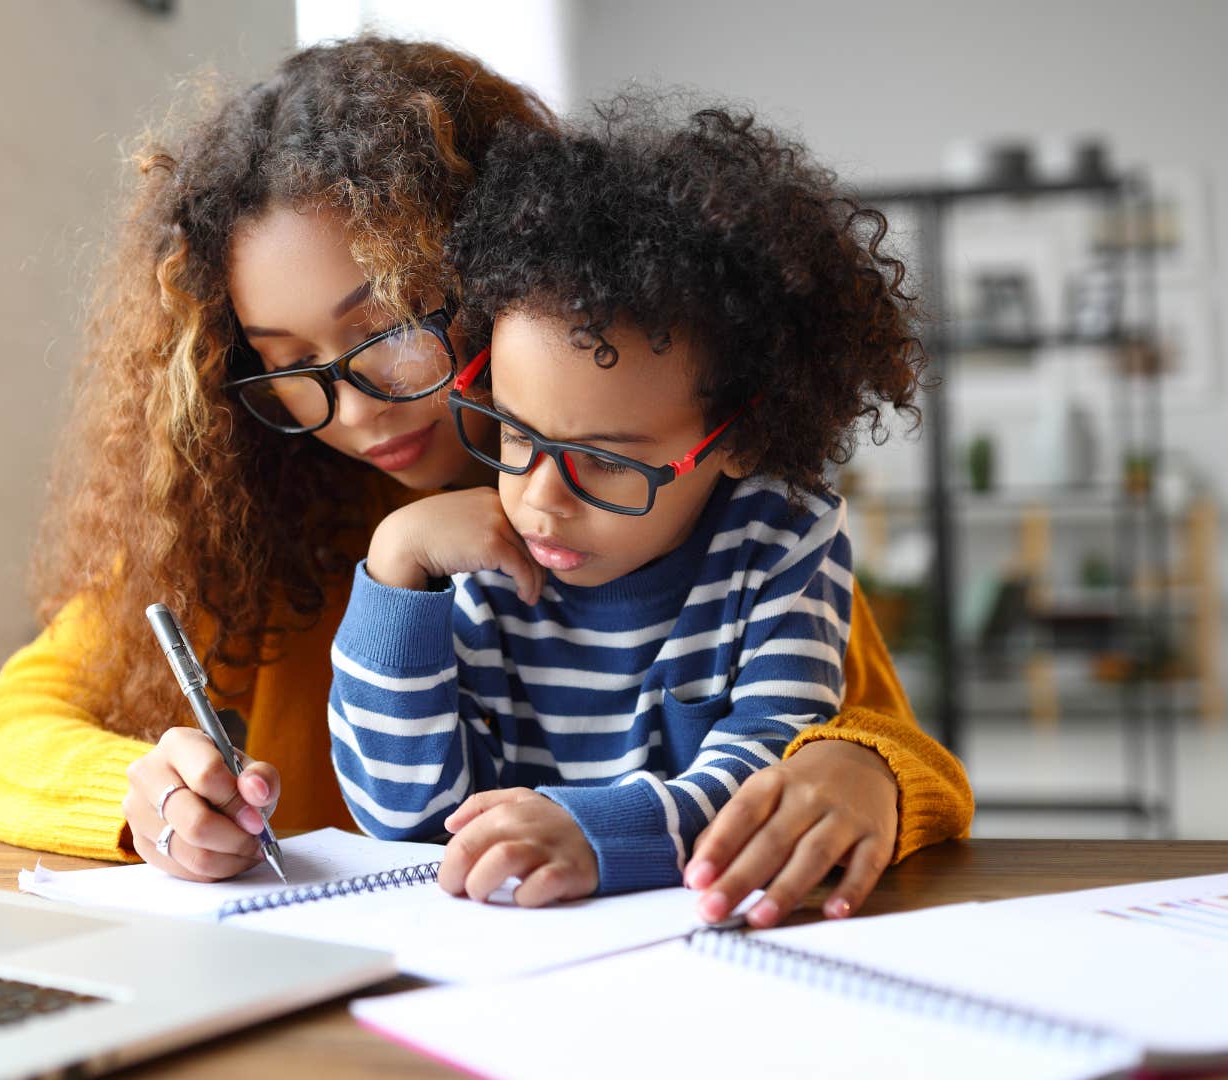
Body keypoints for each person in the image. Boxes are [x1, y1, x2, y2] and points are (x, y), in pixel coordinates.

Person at [0, 39, 972, 928]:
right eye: (288, 365)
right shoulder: (245, 520)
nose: (354, 410)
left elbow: (860, 730)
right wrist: (142, 797)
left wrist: (866, 771)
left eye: (388, 331)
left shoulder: (685, 503)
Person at [332, 104, 924, 914]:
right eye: (513, 432)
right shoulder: (470, 554)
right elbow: (402, 815)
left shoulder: (782, 537)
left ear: (738, 437)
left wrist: (598, 831)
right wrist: (395, 568)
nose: (541, 499)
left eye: (607, 461)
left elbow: (771, 773)